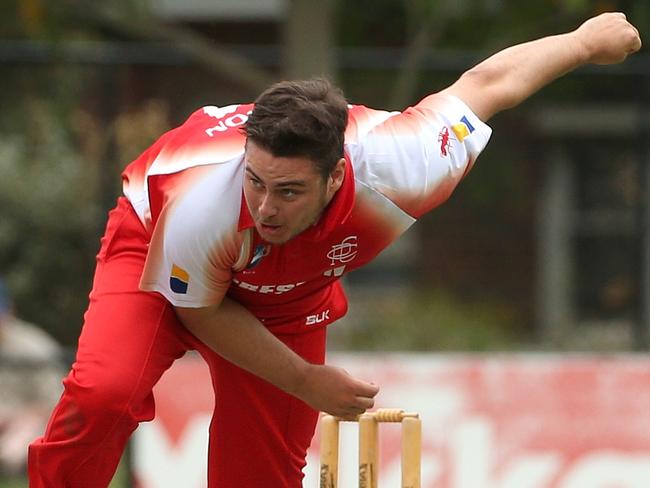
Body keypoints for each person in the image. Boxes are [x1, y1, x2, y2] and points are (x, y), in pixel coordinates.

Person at [28, 12, 640, 487]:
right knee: (103, 392)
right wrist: (304, 379)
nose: (266, 208)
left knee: (260, 475)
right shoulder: (205, 197)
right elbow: (199, 308)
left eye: (289, 191)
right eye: (257, 182)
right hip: (157, 245)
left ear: (336, 177)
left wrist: (585, 42)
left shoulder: (405, 162)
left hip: (289, 296)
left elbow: (488, 84)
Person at [0, 278, 64, 476]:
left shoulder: (34, 347)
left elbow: (59, 406)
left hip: (31, 425)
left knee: (12, 449)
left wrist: (13, 418)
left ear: (9, 312)